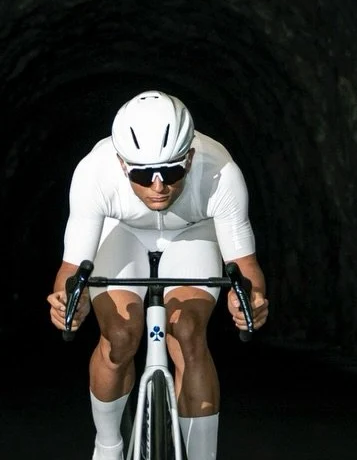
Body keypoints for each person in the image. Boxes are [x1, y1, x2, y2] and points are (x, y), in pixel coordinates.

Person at [47, 89, 270, 460]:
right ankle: (108, 444)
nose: (158, 186)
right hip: (122, 233)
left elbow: (244, 267)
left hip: (191, 233)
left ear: (191, 157)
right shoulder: (94, 172)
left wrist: (251, 299)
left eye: (171, 171)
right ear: (121, 165)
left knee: (187, 334)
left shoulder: (221, 172)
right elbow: (72, 270)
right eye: (141, 173)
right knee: (118, 336)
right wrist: (68, 303)